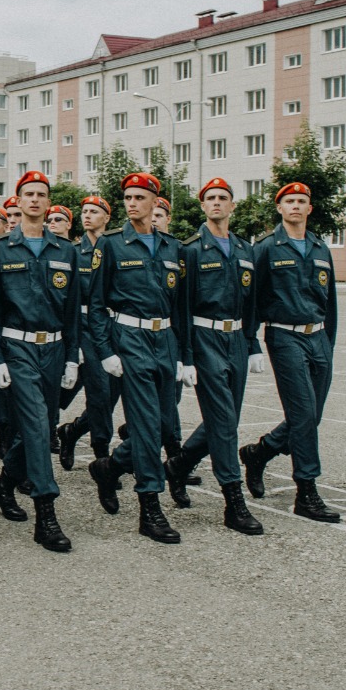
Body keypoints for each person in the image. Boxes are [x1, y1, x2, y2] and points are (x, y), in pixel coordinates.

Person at [87, 172, 190, 544]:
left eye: (139, 197)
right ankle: (150, 506)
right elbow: (96, 305)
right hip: (129, 339)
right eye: (127, 197)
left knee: (163, 427)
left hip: (165, 340)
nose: (131, 203)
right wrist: (106, 351)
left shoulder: (171, 246)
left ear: (156, 203)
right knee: (145, 425)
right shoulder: (112, 244)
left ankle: (110, 467)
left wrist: (184, 355)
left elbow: (180, 308)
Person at [162, 177, 264, 533]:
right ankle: (233, 501)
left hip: (235, 338)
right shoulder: (190, 250)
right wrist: (186, 356)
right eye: (210, 198)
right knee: (222, 420)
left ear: (233, 206)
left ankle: (177, 465)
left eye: (223, 198)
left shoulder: (244, 250)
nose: (217, 203)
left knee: (228, 419)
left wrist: (253, 344)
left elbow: (252, 304)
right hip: (204, 337)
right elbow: (182, 307)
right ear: (203, 206)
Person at [0, 170, 80, 552]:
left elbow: (72, 311)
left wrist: (72, 358)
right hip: (16, 347)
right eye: (29, 194)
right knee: (40, 428)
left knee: (44, 423)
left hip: (54, 349)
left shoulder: (66, 251)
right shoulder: (0, 248)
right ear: (19, 202)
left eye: (42, 194)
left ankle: (4, 484)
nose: (36, 200)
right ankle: (46, 514)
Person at [239, 182, 340, 523]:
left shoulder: (320, 247)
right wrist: (251, 342)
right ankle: (306, 491)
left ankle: (259, 452)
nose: (295, 206)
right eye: (289, 201)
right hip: (284, 337)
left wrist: (329, 343)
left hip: (318, 338)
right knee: (302, 415)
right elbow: (250, 299)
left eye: (301, 201)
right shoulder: (267, 248)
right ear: (279, 208)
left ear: (310, 208)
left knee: (312, 417)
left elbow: (331, 303)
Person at [56, 194, 114, 471]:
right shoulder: (74, 252)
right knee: (90, 392)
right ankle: (99, 451)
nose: (87, 215)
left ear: (107, 217)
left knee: (107, 394)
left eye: (94, 211)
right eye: (84, 211)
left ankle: (80, 437)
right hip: (82, 327)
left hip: (109, 326)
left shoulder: (114, 248)